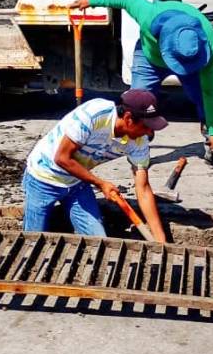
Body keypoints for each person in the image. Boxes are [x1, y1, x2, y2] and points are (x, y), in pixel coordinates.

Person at [71, 0, 213, 167]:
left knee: (202, 98)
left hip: (191, 65)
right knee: (138, 104)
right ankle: (139, 154)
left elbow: (211, 92)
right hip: (149, 58)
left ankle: (211, 146)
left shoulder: (206, 49)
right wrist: (91, 2)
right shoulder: (148, 15)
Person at [22, 89, 168, 242]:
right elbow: (62, 158)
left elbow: (143, 189)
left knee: (99, 241)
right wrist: (100, 184)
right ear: (128, 118)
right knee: (32, 241)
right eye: (146, 126)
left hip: (77, 183)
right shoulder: (94, 114)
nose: (149, 132)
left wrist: (160, 240)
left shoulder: (140, 141)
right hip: (43, 178)